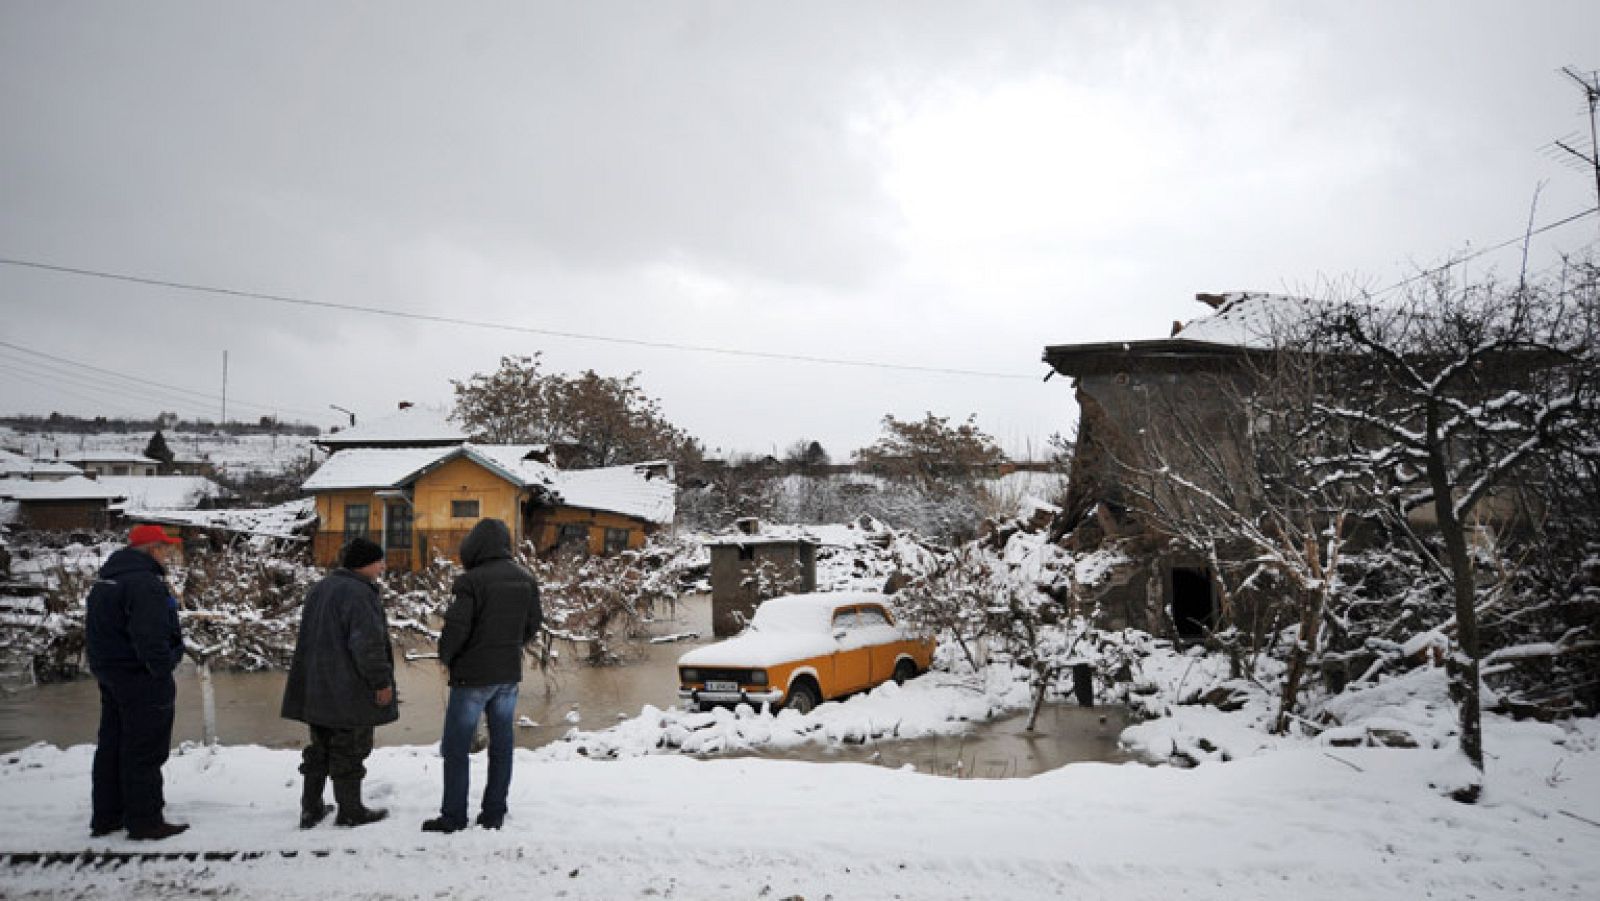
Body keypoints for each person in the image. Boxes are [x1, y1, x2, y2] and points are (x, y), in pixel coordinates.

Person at [422, 518, 542, 833]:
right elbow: (533, 624)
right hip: (507, 676)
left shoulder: (470, 582)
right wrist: (511, 646)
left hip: (472, 678)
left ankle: (453, 817)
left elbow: (456, 629)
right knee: (502, 746)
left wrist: (447, 657)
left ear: (474, 546)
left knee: (456, 748)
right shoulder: (526, 579)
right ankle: (494, 813)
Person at [281, 537, 398, 829]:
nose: (383, 566)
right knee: (350, 749)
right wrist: (381, 683)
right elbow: (368, 645)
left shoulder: (322, 588)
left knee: (320, 747)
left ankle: (311, 808)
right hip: (348, 687)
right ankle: (351, 811)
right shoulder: (359, 594)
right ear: (364, 564)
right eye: (379, 561)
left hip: (317, 685)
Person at [86, 523, 188, 841]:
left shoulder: (106, 581)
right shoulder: (144, 584)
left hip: (110, 674)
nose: (168, 555)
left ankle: (107, 816)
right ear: (152, 550)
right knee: (145, 749)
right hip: (142, 678)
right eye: (165, 548)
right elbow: (151, 637)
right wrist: (164, 666)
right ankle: (145, 822)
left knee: (113, 746)